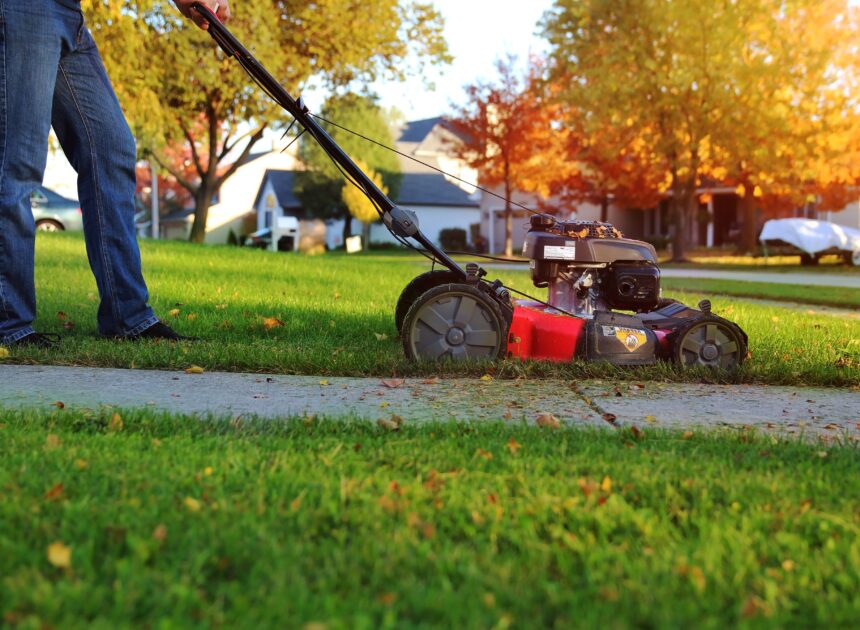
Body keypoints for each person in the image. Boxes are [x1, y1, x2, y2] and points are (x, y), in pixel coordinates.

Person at [0, 0, 231, 348]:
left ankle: (128, 317)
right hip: (24, 8)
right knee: (17, 163)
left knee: (111, 147)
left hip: (68, 13)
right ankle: (9, 323)